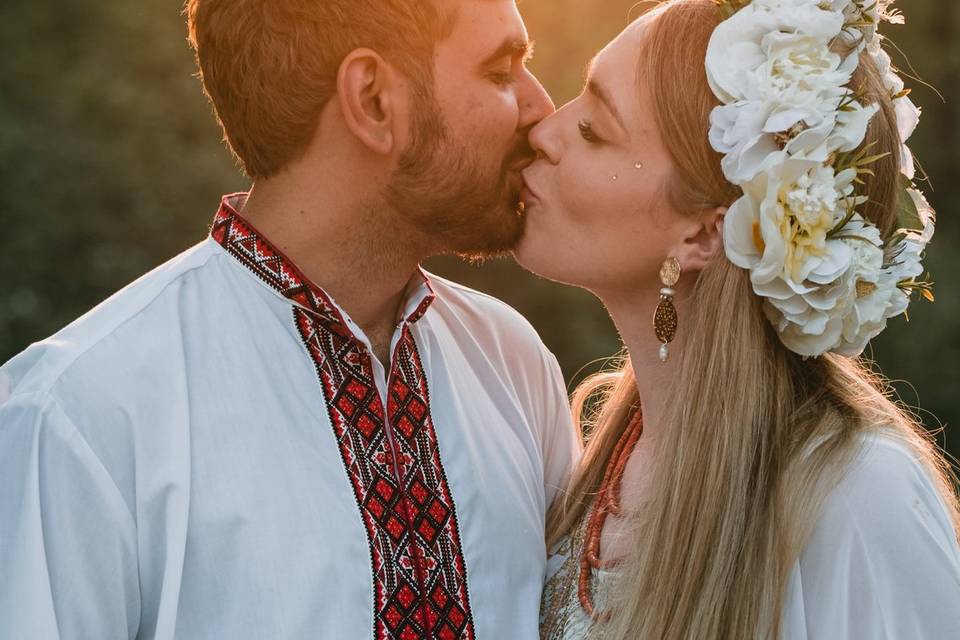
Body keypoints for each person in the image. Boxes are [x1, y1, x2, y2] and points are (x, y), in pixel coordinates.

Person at [0, 1, 579, 638]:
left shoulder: (511, 360)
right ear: (374, 100)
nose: (542, 109)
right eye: (501, 72)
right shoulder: (81, 412)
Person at [516, 1, 960, 638]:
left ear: (704, 233)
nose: (545, 132)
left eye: (594, 130)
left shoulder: (857, 495)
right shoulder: (583, 464)